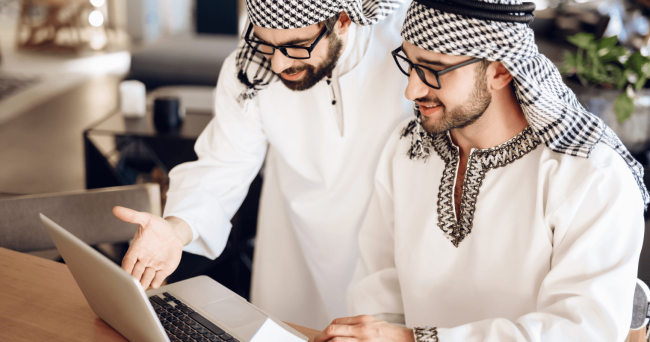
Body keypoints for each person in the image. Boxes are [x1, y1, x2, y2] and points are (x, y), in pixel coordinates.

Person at [314, 0, 649, 341]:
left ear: (500, 71)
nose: (411, 89)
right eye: (411, 65)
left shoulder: (590, 177)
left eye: (434, 69)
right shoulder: (406, 147)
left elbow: (581, 331)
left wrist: (415, 340)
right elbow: (378, 289)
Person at [112, 0, 412, 329]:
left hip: (391, 242)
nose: (279, 62)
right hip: (297, 244)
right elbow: (223, 162)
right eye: (266, 44)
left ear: (342, 20)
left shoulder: (409, 48)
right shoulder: (252, 64)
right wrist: (175, 229)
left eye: (295, 46)